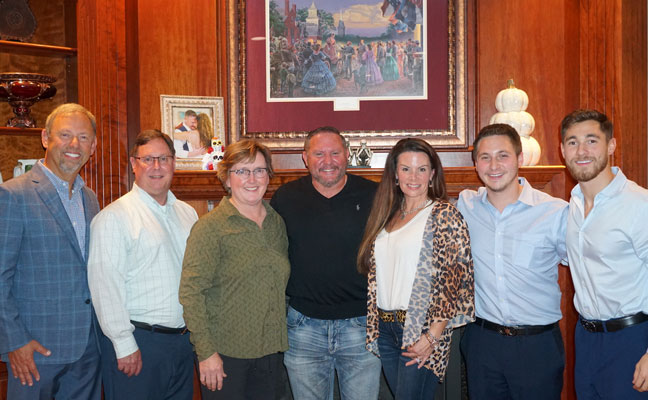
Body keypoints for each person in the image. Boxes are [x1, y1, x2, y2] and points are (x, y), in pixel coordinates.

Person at [457, 124, 568, 399]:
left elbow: (590, 269)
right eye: (485, 157)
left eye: (503, 155)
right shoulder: (465, 206)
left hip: (537, 346)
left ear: (520, 159)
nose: (493, 165)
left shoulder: (555, 212)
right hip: (482, 341)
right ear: (476, 164)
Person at [270, 126, 382, 400]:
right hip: (303, 328)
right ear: (305, 158)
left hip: (361, 326)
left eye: (335, 153)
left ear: (347, 154)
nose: (328, 161)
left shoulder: (376, 195)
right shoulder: (285, 198)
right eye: (319, 154)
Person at [357, 138, 474, 399]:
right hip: (386, 328)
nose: (414, 176)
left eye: (422, 169)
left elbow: (453, 281)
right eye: (406, 168)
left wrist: (432, 336)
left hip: (419, 329)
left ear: (432, 174)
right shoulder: (388, 215)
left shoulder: (444, 214)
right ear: (395, 174)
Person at [0, 103, 101, 399]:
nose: (74, 145)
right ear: (45, 138)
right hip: (34, 353)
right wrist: (14, 342)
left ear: (93, 146)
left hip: (86, 349)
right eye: (65, 135)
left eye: (83, 138)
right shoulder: (12, 194)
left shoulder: (90, 198)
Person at [88, 130, 198, 400]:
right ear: (133, 163)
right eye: (148, 159)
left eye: (164, 158)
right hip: (139, 343)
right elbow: (105, 288)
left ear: (174, 163)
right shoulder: (114, 218)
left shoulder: (188, 213)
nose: (157, 167)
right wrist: (124, 344)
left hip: (183, 342)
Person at [180, 139, 290, 399]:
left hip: (271, 353)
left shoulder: (277, 223)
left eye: (259, 170)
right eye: (241, 171)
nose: (252, 178)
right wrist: (206, 353)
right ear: (227, 179)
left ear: (268, 176)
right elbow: (191, 293)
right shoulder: (211, 228)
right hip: (225, 357)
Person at [560, 109, 648, 398]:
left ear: (611, 146)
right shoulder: (571, 206)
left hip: (633, 340)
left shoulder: (638, 204)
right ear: (562, 150)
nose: (581, 150)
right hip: (585, 340)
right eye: (572, 142)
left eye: (591, 140)